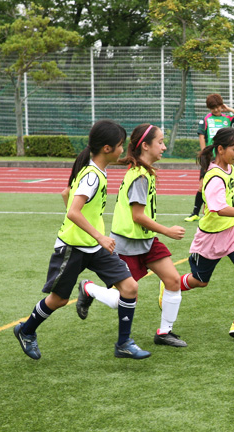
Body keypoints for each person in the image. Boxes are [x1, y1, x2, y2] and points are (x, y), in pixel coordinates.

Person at [14, 120, 151, 360]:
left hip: (94, 246)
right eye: (120, 145)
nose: (123, 150)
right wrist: (98, 234)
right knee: (59, 300)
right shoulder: (92, 176)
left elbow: (66, 193)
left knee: (130, 287)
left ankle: (123, 344)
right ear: (106, 148)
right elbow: (73, 211)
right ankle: (26, 331)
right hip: (73, 247)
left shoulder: (96, 167)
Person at [76, 124, 188, 347]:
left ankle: (164, 333)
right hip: (127, 244)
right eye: (160, 142)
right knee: (124, 299)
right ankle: (88, 288)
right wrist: (167, 230)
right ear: (145, 146)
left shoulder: (144, 171)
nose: (164, 147)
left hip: (145, 240)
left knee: (173, 280)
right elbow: (137, 216)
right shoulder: (140, 176)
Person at [173, 127, 234, 338]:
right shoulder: (215, 176)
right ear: (220, 149)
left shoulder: (230, 169)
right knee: (200, 281)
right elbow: (219, 208)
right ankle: (171, 285)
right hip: (211, 238)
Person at [185, 93, 234, 222]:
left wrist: (228, 108)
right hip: (210, 158)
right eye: (213, 108)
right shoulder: (206, 119)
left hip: (223, 159)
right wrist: (204, 153)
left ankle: (224, 208)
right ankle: (195, 212)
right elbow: (201, 136)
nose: (216, 110)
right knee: (201, 185)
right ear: (209, 108)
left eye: (218, 107)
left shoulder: (227, 118)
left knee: (225, 184)